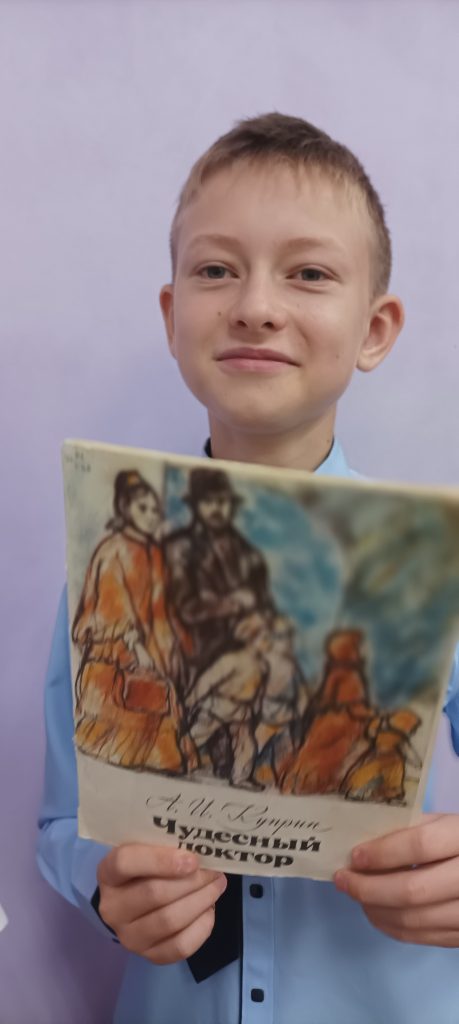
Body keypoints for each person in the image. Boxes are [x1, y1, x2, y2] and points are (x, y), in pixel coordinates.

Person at [37, 113, 459, 1024]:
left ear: (375, 328)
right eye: (215, 270)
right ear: (171, 315)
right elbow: (62, 824)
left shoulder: (433, 568)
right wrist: (108, 885)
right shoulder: (105, 563)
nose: (255, 305)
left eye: (308, 274)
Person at [71, 469, 190, 773]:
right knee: (114, 734)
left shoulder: (155, 553)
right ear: (125, 509)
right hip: (116, 650)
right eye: (142, 508)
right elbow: (112, 609)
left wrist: (168, 649)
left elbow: (160, 609)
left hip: (149, 650)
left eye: (154, 510)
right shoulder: (112, 550)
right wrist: (136, 647)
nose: (150, 516)